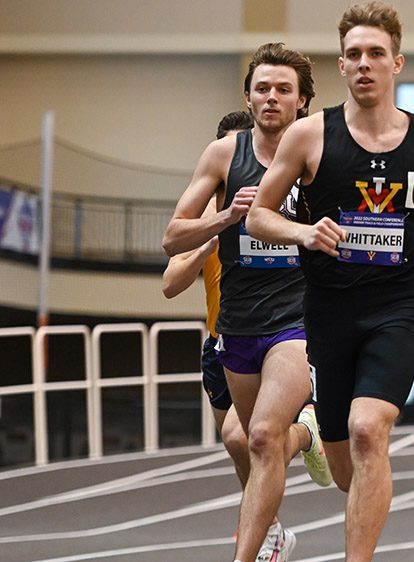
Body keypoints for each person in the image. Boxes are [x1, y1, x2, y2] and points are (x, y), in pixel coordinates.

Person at [245, 3, 414, 559]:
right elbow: (259, 215)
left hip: (394, 306)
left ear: (397, 62)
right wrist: (302, 233)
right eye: (354, 55)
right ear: (342, 66)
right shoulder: (308, 135)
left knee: (371, 428)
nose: (365, 63)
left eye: (376, 53)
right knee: (347, 461)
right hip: (327, 310)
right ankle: (324, 441)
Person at [162, 43, 330, 562]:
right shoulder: (223, 155)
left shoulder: (321, 153)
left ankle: (251, 552)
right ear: (248, 96)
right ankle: (308, 434)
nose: (272, 97)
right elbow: (172, 239)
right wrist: (224, 219)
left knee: (258, 435)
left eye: (284, 89)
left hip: (298, 320)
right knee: (251, 444)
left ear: (303, 101)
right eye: (263, 88)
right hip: (237, 323)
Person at [161, 110, 253, 488]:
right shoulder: (210, 214)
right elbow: (169, 284)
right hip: (220, 344)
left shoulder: (279, 204)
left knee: (245, 435)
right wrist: (206, 247)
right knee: (239, 449)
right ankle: (269, 525)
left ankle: (307, 427)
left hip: (270, 335)